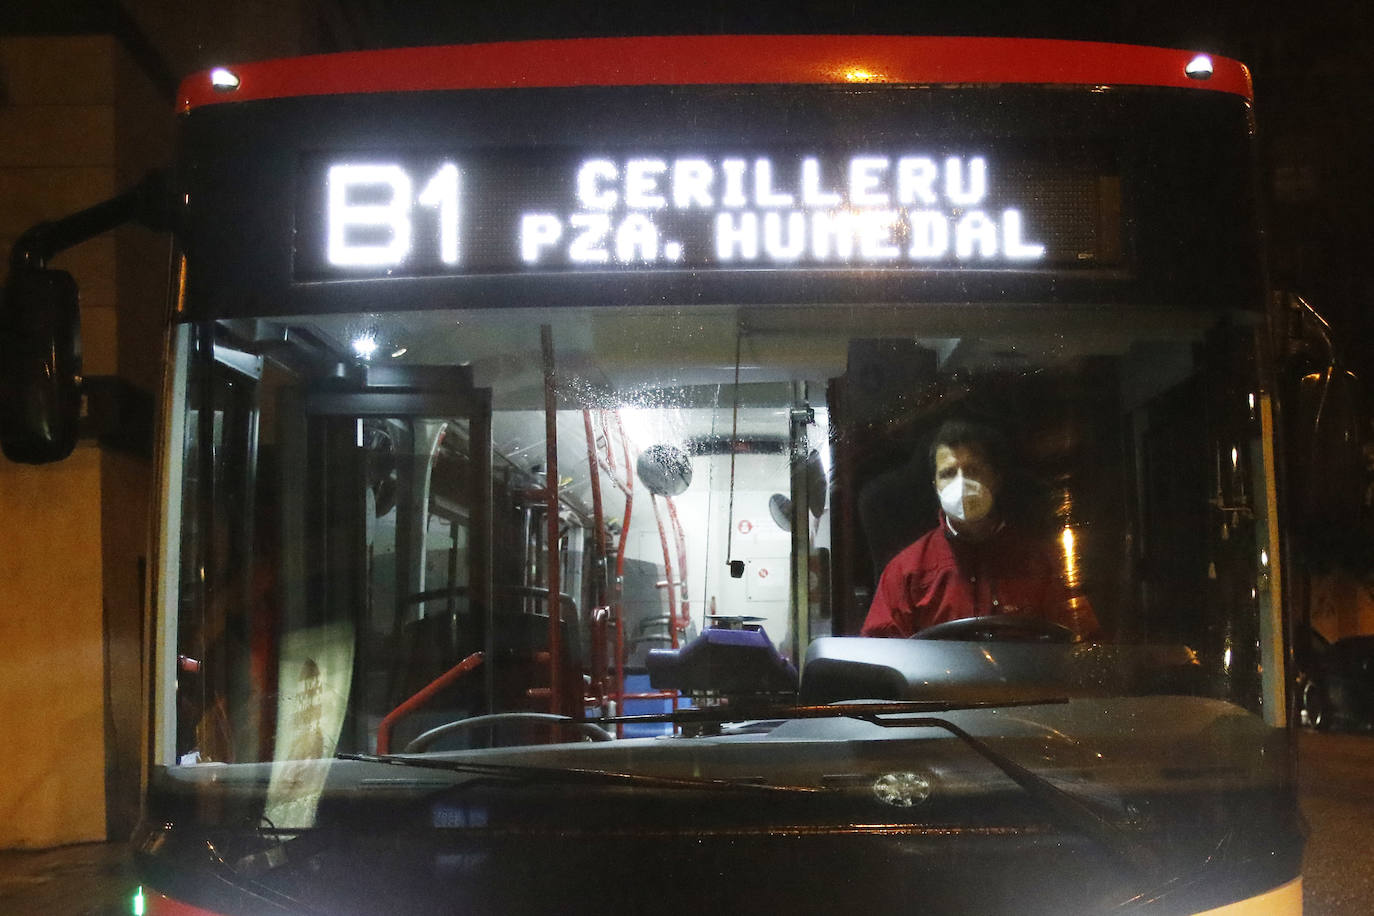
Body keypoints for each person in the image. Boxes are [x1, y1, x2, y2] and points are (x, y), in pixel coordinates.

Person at [861, 419, 1099, 639]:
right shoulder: (906, 573)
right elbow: (881, 657)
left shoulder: (1041, 563)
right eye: (948, 474)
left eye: (973, 470)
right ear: (936, 486)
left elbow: (1083, 645)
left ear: (995, 479)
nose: (961, 483)